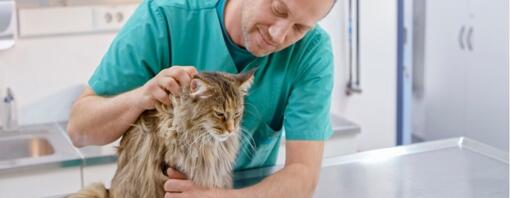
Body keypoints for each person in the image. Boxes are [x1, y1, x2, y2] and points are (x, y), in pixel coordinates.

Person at [67, 0, 336, 197]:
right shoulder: (165, 16)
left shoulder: (312, 51)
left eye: (299, 27)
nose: (278, 36)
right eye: (278, 9)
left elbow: (303, 174)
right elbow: (80, 131)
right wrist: (141, 97)